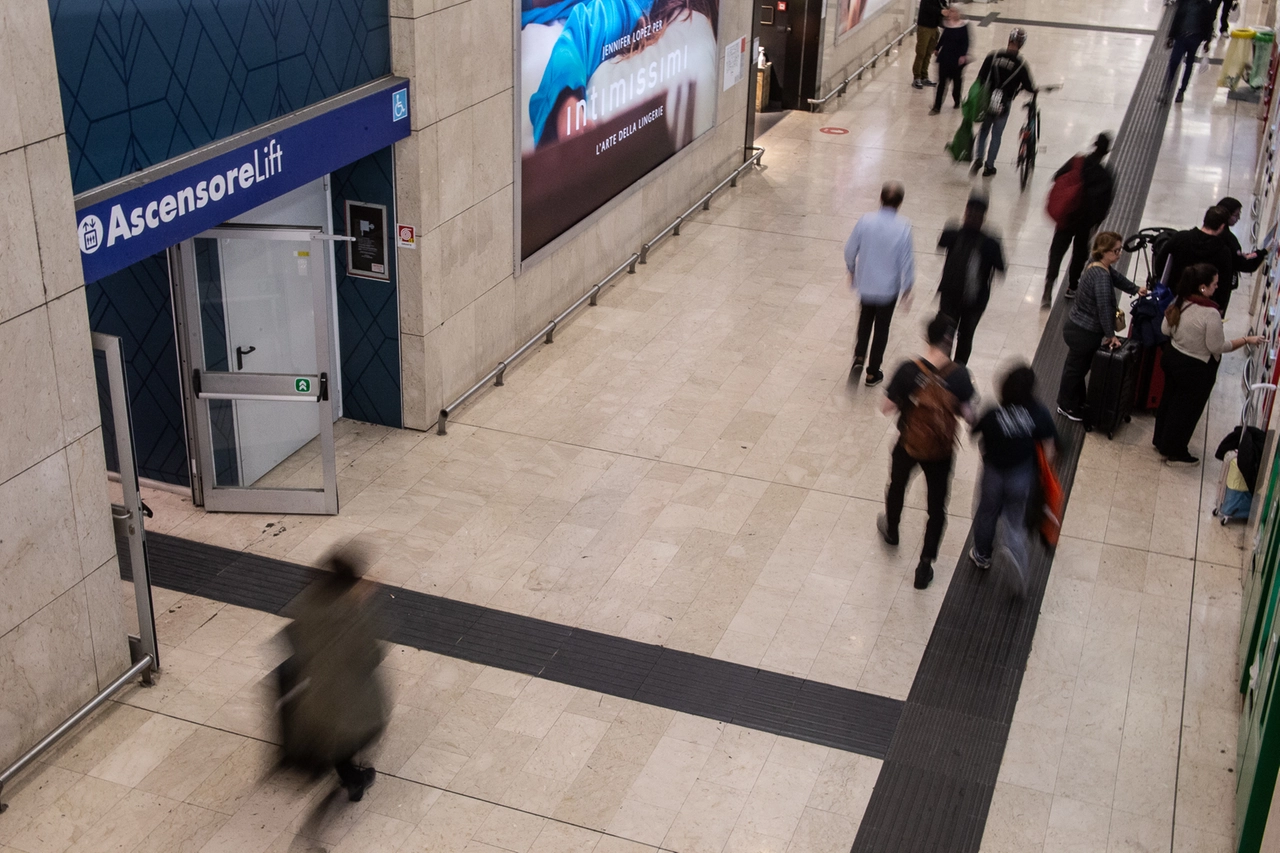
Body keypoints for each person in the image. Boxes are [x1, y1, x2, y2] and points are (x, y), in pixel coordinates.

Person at [278, 552, 390, 802]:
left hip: (318, 700)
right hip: (357, 706)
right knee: (351, 733)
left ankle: (349, 776)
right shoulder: (356, 618)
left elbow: (294, 642)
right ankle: (355, 780)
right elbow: (371, 657)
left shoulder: (306, 605)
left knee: (332, 734)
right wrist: (359, 606)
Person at [878, 313, 976, 590]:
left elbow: (886, 408)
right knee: (936, 507)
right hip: (941, 451)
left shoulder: (909, 369)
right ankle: (925, 564)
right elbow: (970, 415)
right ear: (949, 341)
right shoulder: (960, 375)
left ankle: (892, 529)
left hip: (909, 442)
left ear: (926, 337)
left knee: (897, 485)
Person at [1153, 264, 1263, 463]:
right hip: (1195, 369)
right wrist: (1246, 340)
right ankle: (1175, 450)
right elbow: (1217, 346)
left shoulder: (1181, 301)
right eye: (1215, 284)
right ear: (1203, 287)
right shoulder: (1210, 314)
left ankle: (1160, 440)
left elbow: (1165, 330)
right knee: (1186, 411)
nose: (1217, 287)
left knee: (1168, 401)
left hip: (1172, 358)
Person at [970, 364, 1057, 597]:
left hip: (994, 474)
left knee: (986, 513)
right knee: (1015, 521)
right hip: (1021, 475)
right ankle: (1015, 554)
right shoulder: (1039, 413)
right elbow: (1049, 449)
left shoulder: (992, 414)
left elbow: (978, 437)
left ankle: (982, 555)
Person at [1055, 232, 1145, 422]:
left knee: (1076, 367)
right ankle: (1066, 405)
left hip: (1076, 325)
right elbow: (1104, 309)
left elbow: (1117, 278)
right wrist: (1111, 335)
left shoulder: (1095, 264)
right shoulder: (1101, 278)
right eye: (1116, 250)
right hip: (1084, 332)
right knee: (1075, 370)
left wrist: (1135, 289)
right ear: (1104, 251)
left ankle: (1075, 400)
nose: (1119, 253)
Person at [845, 181, 916, 387]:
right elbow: (907, 260)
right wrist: (907, 287)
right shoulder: (903, 227)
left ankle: (859, 356)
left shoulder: (865, 221)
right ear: (900, 203)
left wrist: (851, 269)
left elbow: (850, 249)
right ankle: (872, 371)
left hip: (866, 283)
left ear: (880, 199)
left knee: (865, 321)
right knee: (882, 328)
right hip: (888, 289)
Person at [1043, 133, 1116, 307]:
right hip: (1085, 223)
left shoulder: (1077, 162)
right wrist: (1096, 224)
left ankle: (1048, 287)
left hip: (1067, 217)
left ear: (1094, 145)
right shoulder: (1105, 176)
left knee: (1057, 251)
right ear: (1105, 152)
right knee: (1079, 254)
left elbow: (1057, 177)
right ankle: (1072, 286)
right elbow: (1106, 205)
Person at [936, 194, 1006, 364]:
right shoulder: (990, 243)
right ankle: (958, 370)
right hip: (975, 300)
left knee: (946, 333)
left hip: (951, 295)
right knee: (966, 336)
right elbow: (1001, 268)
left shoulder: (953, 234)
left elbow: (941, 245)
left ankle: (944, 369)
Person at [971, 29, 1036, 178]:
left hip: (987, 99)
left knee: (984, 131)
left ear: (1009, 40)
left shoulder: (992, 56)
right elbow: (1029, 87)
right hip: (1004, 103)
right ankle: (989, 166)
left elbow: (980, 78)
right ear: (1022, 44)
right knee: (997, 135)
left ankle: (978, 158)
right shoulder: (1021, 65)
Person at [1152, 206, 1235, 313]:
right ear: (1222, 226)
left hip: (1172, 301)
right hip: (1203, 308)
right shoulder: (1223, 253)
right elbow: (1224, 285)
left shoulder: (1180, 238)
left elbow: (1160, 265)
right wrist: (1220, 308)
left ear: (1205, 220)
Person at [1215, 197, 1265, 313]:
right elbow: (1243, 264)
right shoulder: (1229, 240)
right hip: (1220, 288)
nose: (1238, 218)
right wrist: (1262, 253)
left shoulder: (1212, 230)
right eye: (1236, 215)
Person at [1163, 0, 1214, 104]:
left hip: (1195, 38)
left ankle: (1182, 90)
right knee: (1174, 61)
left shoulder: (1205, 5)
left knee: (1189, 64)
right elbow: (1177, 18)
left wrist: (1207, 41)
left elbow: (1209, 22)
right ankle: (1167, 88)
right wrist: (1171, 36)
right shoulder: (1184, 2)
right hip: (1181, 37)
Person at [930, 7, 971, 115]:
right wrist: (937, 48)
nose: (950, 13)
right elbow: (943, 38)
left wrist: (963, 55)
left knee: (956, 83)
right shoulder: (948, 24)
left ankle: (957, 99)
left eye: (953, 11)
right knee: (942, 83)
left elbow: (966, 42)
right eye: (950, 11)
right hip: (945, 58)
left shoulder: (963, 26)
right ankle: (937, 106)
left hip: (957, 59)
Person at [913, 0, 948, 89]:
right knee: (921, 53)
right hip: (924, 27)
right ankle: (917, 77)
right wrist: (940, 11)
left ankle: (924, 76)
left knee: (928, 53)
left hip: (934, 27)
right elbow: (927, 7)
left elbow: (943, 4)